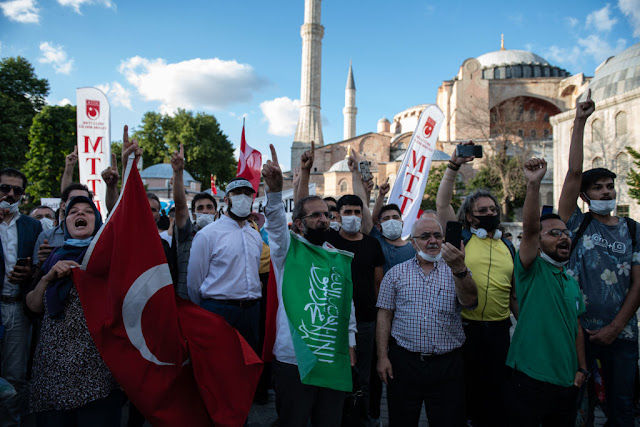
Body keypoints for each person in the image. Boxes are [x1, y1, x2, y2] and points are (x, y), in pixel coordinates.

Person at [558, 90, 640, 426]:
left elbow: (638, 285)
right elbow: (574, 173)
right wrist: (580, 121)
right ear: (585, 196)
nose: (606, 192)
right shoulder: (577, 223)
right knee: (577, 406)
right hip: (577, 332)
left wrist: (615, 327)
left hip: (621, 337)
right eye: (598, 188)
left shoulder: (632, 230)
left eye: (610, 186)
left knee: (621, 408)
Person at [262, 144, 357, 427]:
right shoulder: (286, 251)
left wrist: (350, 342)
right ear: (299, 225)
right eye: (315, 215)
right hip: (294, 359)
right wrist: (276, 191)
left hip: (331, 356)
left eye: (326, 214)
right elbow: (277, 224)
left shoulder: (335, 257)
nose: (323, 219)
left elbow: (345, 303)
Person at [436, 143, 517, 426]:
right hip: (465, 329)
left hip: (499, 333)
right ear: (470, 216)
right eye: (482, 209)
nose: (489, 212)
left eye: (493, 208)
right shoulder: (462, 239)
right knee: (465, 395)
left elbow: (513, 294)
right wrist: (454, 166)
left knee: (497, 398)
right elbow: (443, 204)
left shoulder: (507, 246)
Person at [25, 196, 121, 426]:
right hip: (52, 368)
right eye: (73, 211)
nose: (80, 215)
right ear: (64, 221)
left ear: (97, 221)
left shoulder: (110, 257)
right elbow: (33, 305)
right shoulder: (53, 257)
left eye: (88, 211)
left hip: (96, 370)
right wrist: (48, 277)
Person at [506, 158, 587, 426]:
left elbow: (575, 328)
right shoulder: (531, 269)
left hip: (567, 382)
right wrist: (533, 184)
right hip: (529, 379)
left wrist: (581, 369)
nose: (564, 237)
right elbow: (529, 230)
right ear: (538, 243)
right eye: (553, 233)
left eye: (565, 232)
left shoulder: (571, 281)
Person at [376, 217, 478, 426]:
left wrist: (460, 268)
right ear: (413, 242)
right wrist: (382, 357)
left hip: (447, 366)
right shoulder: (395, 274)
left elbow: (470, 303)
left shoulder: (458, 272)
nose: (433, 241)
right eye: (425, 236)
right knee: (401, 420)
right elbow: (384, 316)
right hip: (404, 363)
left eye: (437, 235)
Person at [187, 177, 263, 351]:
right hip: (219, 311)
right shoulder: (208, 235)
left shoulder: (255, 236)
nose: (242, 198)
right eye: (237, 193)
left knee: (248, 367)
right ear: (227, 199)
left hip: (251, 312)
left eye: (247, 194)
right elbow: (194, 283)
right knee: (218, 365)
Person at [0, 168, 42, 425]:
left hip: (17, 308)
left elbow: (40, 267)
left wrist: (30, 272)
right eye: (5, 188)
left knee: (14, 378)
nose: (10, 194)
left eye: (17, 190)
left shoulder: (33, 225)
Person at [32, 184, 92, 267]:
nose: (78, 204)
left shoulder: (99, 236)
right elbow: (36, 273)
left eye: (84, 201)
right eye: (73, 199)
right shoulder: (47, 236)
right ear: (63, 205)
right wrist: (45, 261)